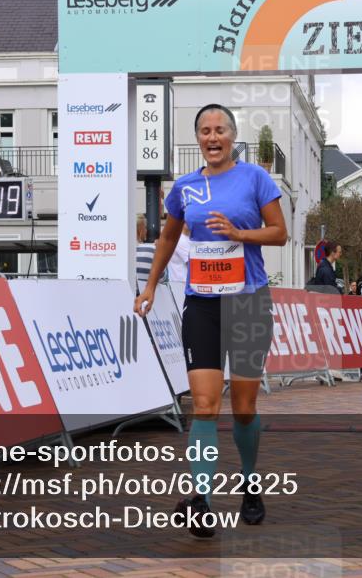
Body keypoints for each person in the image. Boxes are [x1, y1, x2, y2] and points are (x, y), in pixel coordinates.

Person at [134, 104, 287, 537]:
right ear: (198, 139)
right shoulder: (184, 187)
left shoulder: (255, 178)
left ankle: (251, 480)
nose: (213, 137)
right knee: (203, 406)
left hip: (248, 304)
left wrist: (241, 235)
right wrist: (149, 286)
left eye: (220, 130)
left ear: (233, 137)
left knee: (243, 409)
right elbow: (166, 237)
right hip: (201, 303)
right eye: (205, 131)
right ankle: (200, 498)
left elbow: (280, 232)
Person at [135, 214, 165, 288]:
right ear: (141, 230)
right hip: (147, 295)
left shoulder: (121, 252)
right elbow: (162, 278)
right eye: (145, 227)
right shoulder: (152, 250)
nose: (146, 231)